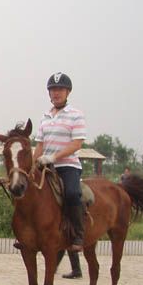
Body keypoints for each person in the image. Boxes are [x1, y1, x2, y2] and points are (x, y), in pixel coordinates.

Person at [34, 72, 87, 252]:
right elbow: (40, 145)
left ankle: (78, 233)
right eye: (53, 90)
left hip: (67, 166)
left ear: (68, 92)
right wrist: (32, 165)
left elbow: (77, 143)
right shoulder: (45, 117)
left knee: (72, 193)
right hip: (46, 166)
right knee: (27, 192)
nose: (56, 93)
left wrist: (55, 157)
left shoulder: (76, 115)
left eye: (60, 90)